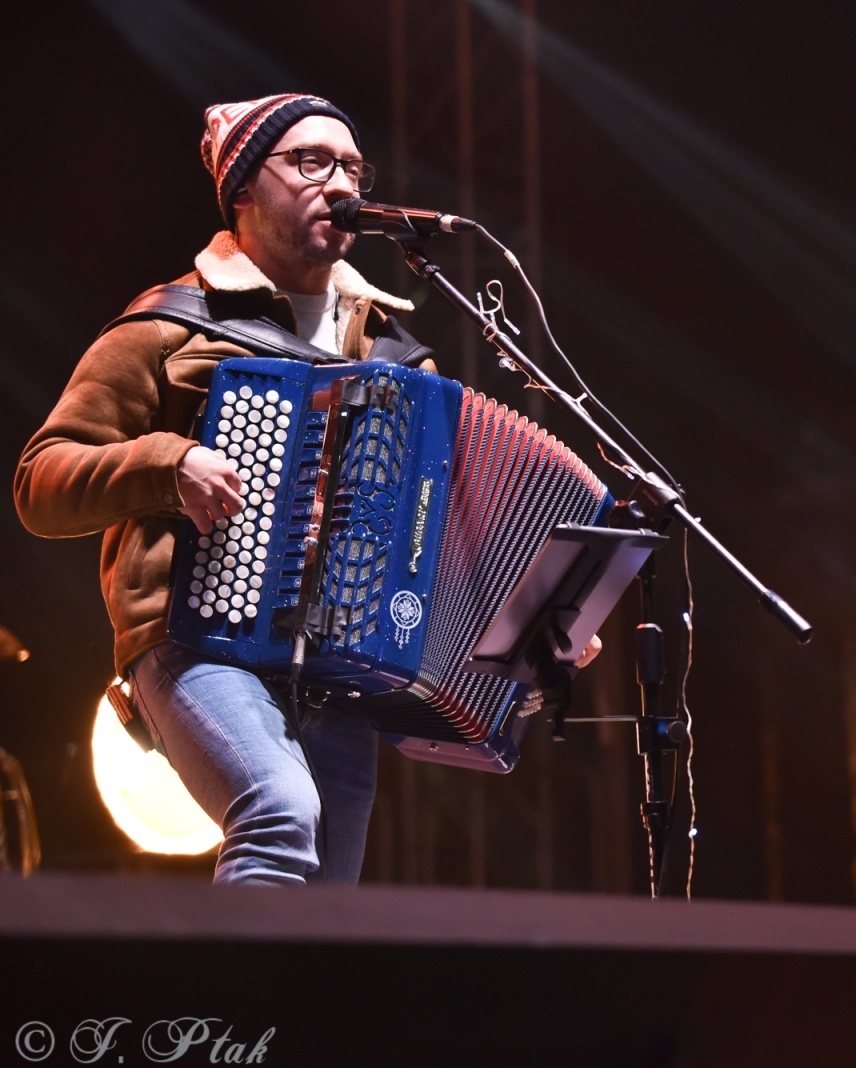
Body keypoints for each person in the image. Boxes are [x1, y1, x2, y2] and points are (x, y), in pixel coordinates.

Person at [15, 94, 596, 886]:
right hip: (195, 642)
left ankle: (281, 1013)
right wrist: (168, 465)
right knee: (279, 812)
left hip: (339, 669)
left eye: (353, 166)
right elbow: (40, 480)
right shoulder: (170, 325)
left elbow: (447, 542)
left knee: (329, 899)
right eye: (311, 162)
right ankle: (241, 1017)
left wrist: (530, 626)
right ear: (244, 189)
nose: (339, 181)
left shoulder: (396, 355)